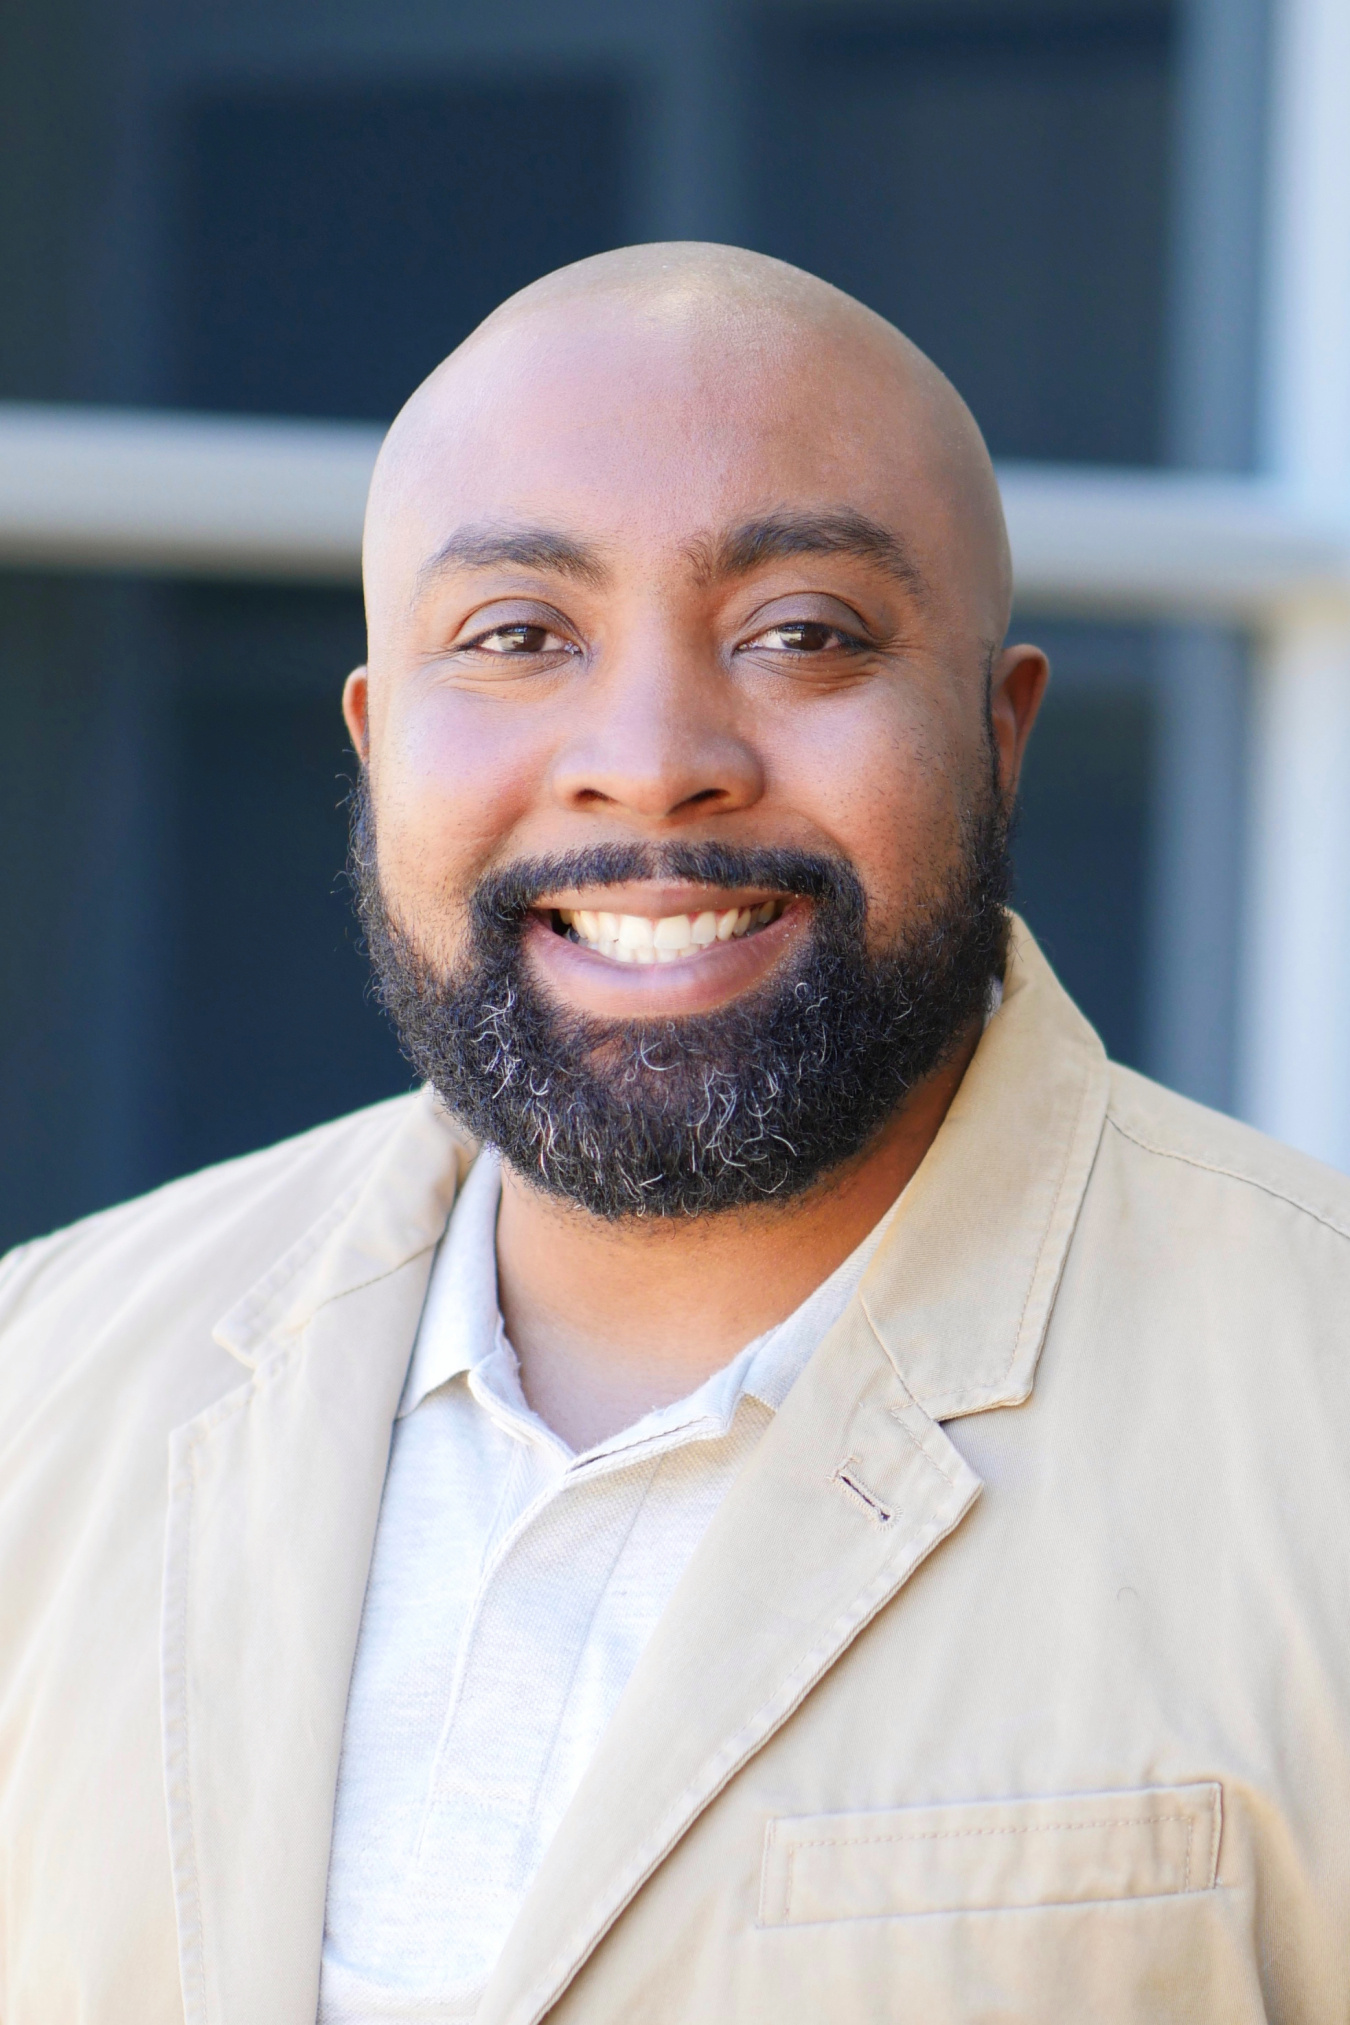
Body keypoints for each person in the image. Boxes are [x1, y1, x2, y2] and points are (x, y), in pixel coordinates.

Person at [2, 244, 1349, 2025]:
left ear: (996, 735)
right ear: (377, 737)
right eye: (517, 638)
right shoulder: (41, 1378)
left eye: (800, 632)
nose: (648, 760)